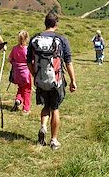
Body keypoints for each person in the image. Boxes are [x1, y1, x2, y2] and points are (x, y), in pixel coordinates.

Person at [27, 12, 77, 150]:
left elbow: (29, 61)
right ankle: (54, 140)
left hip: (40, 79)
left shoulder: (35, 38)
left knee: (45, 106)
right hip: (56, 80)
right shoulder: (61, 39)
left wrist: (35, 75)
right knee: (54, 108)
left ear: (45, 23)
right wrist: (73, 80)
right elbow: (68, 62)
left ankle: (43, 126)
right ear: (56, 24)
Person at [8, 30, 32, 114]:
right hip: (25, 73)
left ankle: (18, 99)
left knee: (21, 87)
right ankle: (26, 108)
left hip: (17, 73)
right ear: (27, 38)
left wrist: (15, 64)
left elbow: (10, 59)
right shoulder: (27, 50)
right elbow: (31, 61)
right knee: (27, 90)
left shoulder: (15, 48)